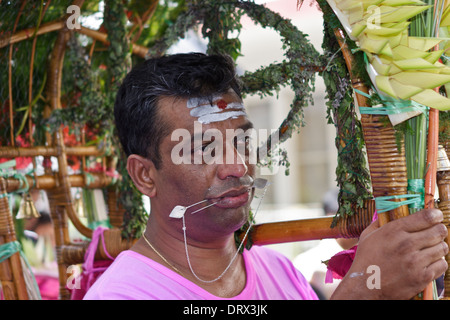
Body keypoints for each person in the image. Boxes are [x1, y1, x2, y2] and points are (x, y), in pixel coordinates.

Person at [84, 52, 448, 300]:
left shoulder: (280, 272)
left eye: (243, 140)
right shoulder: (124, 294)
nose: (238, 166)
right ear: (144, 175)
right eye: (204, 149)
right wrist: (362, 289)